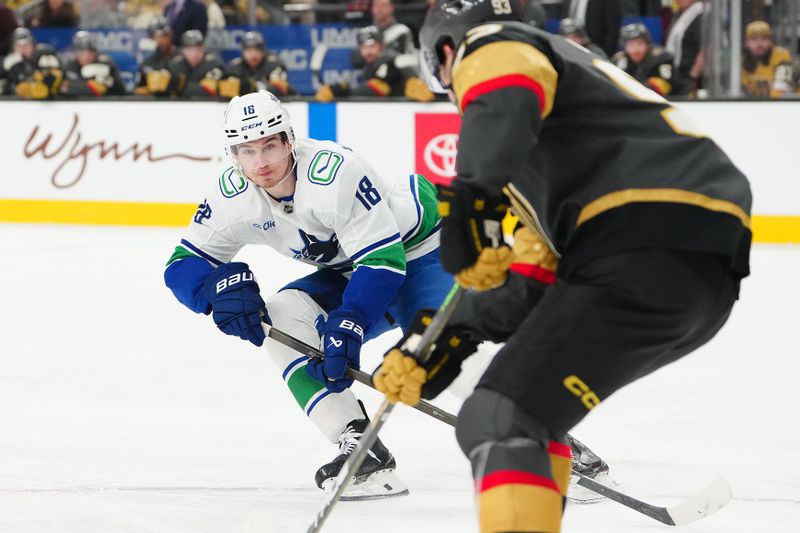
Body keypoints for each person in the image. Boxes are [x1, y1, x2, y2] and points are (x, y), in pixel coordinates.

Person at [374, 2, 752, 532]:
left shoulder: (495, 44)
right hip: (696, 275)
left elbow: (498, 79)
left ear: (444, 50)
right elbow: (535, 280)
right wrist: (447, 334)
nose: (455, 92)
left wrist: (474, 198)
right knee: (527, 418)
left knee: (499, 418)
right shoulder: (556, 145)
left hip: (641, 238)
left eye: (445, 79)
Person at [163, 90, 451, 498]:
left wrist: (350, 320)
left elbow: (383, 261)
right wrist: (214, 290)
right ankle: (361, 448)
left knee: (444, 354)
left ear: (288, 140)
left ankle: (543, 440)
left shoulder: (334, 174)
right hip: (353, 268)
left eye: (269, 145)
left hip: (422, 250)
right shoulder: (232, 195)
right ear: (233, 153)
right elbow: (182, 262)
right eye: (246, 150)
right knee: (282, 316)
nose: (260, 162)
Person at [315, 25, 433, 102]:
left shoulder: (390, 60)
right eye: (364, 47)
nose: (368, 51)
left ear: (381, 46)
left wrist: (341, 91)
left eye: (372, 46)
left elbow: (375, 90)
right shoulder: (370, 66)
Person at [612, 22, 688, 96]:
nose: (636, 49)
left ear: (648, 44)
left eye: (640, 43)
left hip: (676, 102)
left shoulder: (662, 58)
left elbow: (662, 87)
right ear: (624, 47)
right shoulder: (618, 61)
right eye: (631, 45)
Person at [223, 30, 295, 97]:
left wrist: (252, 87)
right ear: (242, 51)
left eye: (257, 50)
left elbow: (280, 90)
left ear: (263, 51)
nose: (253, 55)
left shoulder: (273, 64)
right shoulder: (234, 67)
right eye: (248, 50)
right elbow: (226, 93)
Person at [0, 27, 61, 98]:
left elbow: (54, 83)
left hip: (47, 104)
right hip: (16, 105)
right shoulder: (7, 62)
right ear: (12, 47)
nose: (23, 48)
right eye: (18, 45)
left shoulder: (44, 56)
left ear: (32, 44)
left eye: (26, 44)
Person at [60, 30, 126, 96]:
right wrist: (91, 86)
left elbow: (121, 91)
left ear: (95, 52)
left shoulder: (105, 63)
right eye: (81, 52)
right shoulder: (69, 65)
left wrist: (111, 83)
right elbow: (62, 89)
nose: (86, 56)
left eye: (90, 51)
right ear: (75, 53)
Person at [163, 29, 226, 98]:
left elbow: (208, 91)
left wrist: (180, 87)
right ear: (183, 51)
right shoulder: (174, 66)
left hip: (207, 106)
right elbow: (164, 93)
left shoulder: (214, 64)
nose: (194, 54)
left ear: (204, 49)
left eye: (198, 49)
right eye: (190, 49)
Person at [741, 21, 795, 98]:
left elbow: (780, 90)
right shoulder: (744, 62)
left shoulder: (782, 56)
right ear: (747, 43)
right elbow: (744, 91)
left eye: (764, 39)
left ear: (771, 42)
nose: (759, 43)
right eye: (754, 39)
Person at [665, 0, 704, 91]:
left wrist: (694, 76)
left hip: (690, 78)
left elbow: (706, 49)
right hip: (678, 75)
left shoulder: (700, 16)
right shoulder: (680, 15)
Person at [135, 16, 178, 96]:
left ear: (171, 35)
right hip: (154, 105)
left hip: (179, 105)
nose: (161, 40)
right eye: (157, 36)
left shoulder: (181, 59)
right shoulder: (147, 62)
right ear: (153, 37)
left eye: (165, 35)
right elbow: (138, 90)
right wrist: (148, 90)